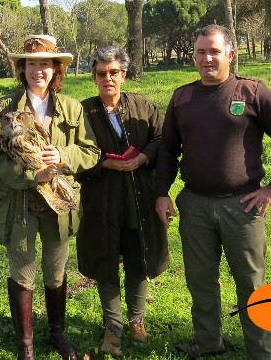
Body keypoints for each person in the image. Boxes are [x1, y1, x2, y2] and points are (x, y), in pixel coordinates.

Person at [155, 25, 271, 359]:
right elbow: (167, 149)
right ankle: (208, 343)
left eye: (214, 51)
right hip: (194, 206)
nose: (207, 58)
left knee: (252, 285)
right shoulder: (182, 97)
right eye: (200, 52)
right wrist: (162, 192)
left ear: (230, 55)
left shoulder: (252, 91)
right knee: (200, 281)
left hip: (243, 207)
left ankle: (263, 353)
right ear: (193, 56)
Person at [0, 35, 100, 360]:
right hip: (18, 203)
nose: (38, 70)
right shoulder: (4, 108)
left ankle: (57, 336)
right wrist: (31, 175)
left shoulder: (71, 108)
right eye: (31, 63)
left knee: (55, 271)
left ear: (56, 69)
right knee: (22, 272)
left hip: (58, 205)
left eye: (45, 63)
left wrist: (61, 154)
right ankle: (26, 348)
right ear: (23, 68)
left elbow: (91, 151)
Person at [77, 45, 172, 356]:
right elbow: (72, 152)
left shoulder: (143, 106)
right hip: (101, 200)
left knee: (139, 257)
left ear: (124, 75)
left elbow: (164, 139)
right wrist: (102, 163)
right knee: (105, 261)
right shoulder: (83, 111)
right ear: (93, 77)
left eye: (114, 73)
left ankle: (136, 319)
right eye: (101, 73)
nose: (108, 78)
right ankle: (113, 325)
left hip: (140, 198)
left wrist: (144, 156)